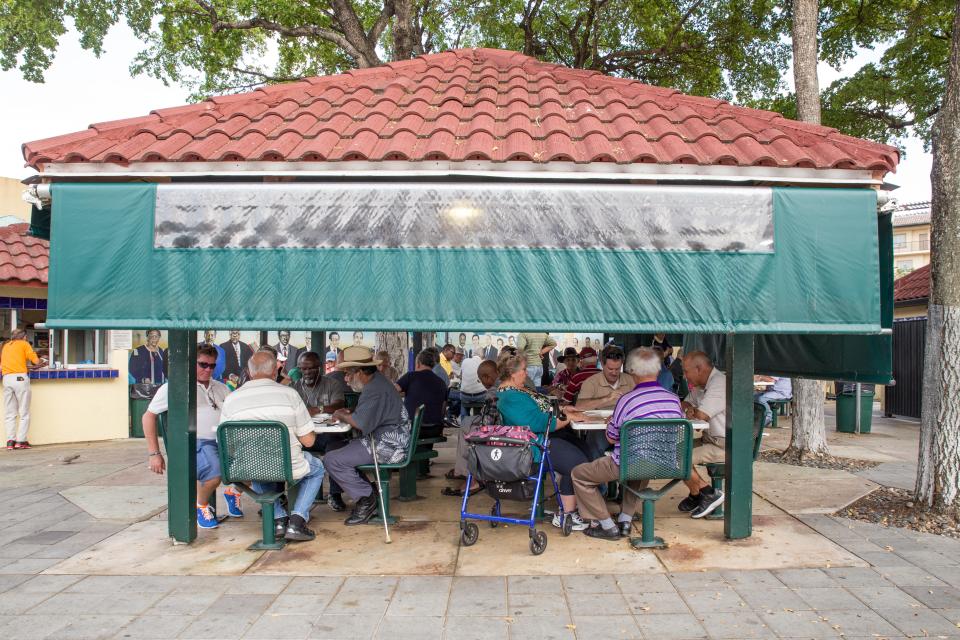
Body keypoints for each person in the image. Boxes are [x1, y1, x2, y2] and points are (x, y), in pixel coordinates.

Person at [571, 347, 684, 540]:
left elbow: (611, 438)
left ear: (631, 372)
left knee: (579, 475)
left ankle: (607, 526)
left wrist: (611, 424)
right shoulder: (674, 400)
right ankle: (625, 520)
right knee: (642, 467)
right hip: (666, 464)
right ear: (658, 371)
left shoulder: (627, 400)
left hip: (628, 463)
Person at [218, 351, 325, 541]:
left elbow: (227, 445)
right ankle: (297, 521)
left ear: (249, 373)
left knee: (256, 463)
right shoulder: (290, 394)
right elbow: (309, 441)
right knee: (317, 468)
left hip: (247, 467)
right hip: (288, 465)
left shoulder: (232, 399)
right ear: (275, 371)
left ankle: (278, 519)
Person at [142, 344, 241, 529]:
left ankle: (233, 492)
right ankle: (201, 505)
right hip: (195, 442)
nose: (208, 370)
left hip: (224, 440)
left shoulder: (221, 388)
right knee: (214, 472)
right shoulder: (174, 387)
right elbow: (148, 417)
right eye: (203, 364)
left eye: (212, 366)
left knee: (259, 458)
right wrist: (154, 453)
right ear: (191, 363)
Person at [496, 353, 591, 531]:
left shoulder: (517, 391)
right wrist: (569, 417)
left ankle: (573, 501)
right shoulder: (510, 397)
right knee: (578, 464)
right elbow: (539, 423)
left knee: (583, 447)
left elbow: (542, 408)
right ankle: (566, 515)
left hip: (540, 439)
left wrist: (563, 408)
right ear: (512, 373)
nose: (527, 374)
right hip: (534, 447)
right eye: (524, 370)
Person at [325, 346, 411, 526]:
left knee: (332, 460)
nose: (346, 379)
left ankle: (366, 499)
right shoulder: (377, 382)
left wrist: (342, 415)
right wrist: (351, 412)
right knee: (334, 447)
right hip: (386, 438)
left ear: (361, 372)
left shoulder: (375, 389)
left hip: (388, 445)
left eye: (348, 374)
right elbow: (367, 413)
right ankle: (367, 490)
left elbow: (361, 424)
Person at [291, 351, 349, 511]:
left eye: (311, 368)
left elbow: (339, 404)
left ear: (320, 368)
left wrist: (318, 409)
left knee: (336, 448)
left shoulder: (331, 384)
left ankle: (335, 493)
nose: (307, 372)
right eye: (303, 369)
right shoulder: (293, 388)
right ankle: (281, 497)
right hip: (302, 436)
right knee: (281, 446)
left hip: (326, 435)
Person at [679, 351, 726, 518]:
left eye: (686, 371)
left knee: (678, 460)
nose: (684, 376)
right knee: (673, 451)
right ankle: (696, 494)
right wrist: (689, 409)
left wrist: (693, 411)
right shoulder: (700, 385)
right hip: (711, 439)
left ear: (698, 368)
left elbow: (701, 416)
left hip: (727, 444)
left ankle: (709, 493)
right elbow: (683, 403)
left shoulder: (719, 383)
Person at [443, 359, 499, 497]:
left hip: (496, 429)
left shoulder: (492, 393)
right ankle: (462, 471)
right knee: (466, 423)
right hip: (500, 423)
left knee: (467, 430)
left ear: (487, 377)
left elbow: (486, 425)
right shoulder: (501, 385)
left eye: (480, 381)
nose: (482, 384)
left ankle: (468, 474)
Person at [2, 328, 46, 449]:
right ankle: (21, 441)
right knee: (24, 412)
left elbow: (11, 363)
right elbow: (35, 360)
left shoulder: (6, 346)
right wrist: (43, 360)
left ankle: (10, 441)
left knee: (10, 412)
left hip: (6, 379)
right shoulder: (24, 344)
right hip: (20, 379)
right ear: (24, 337)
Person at [396, 350, 449, 438]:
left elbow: (392, 390)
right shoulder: (441, 382)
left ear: (418, 363)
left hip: (412, 428)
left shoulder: (411, 376)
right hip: (434, 429)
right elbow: (443, 407)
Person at [573, 344, 631, 412]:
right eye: (610, 369)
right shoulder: (591, 382)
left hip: (624, 421)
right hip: (599, 422)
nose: (614, 373)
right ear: (602, 364)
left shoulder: (630, 380)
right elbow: (579, 407)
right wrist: (606, 398)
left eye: (617, 369)